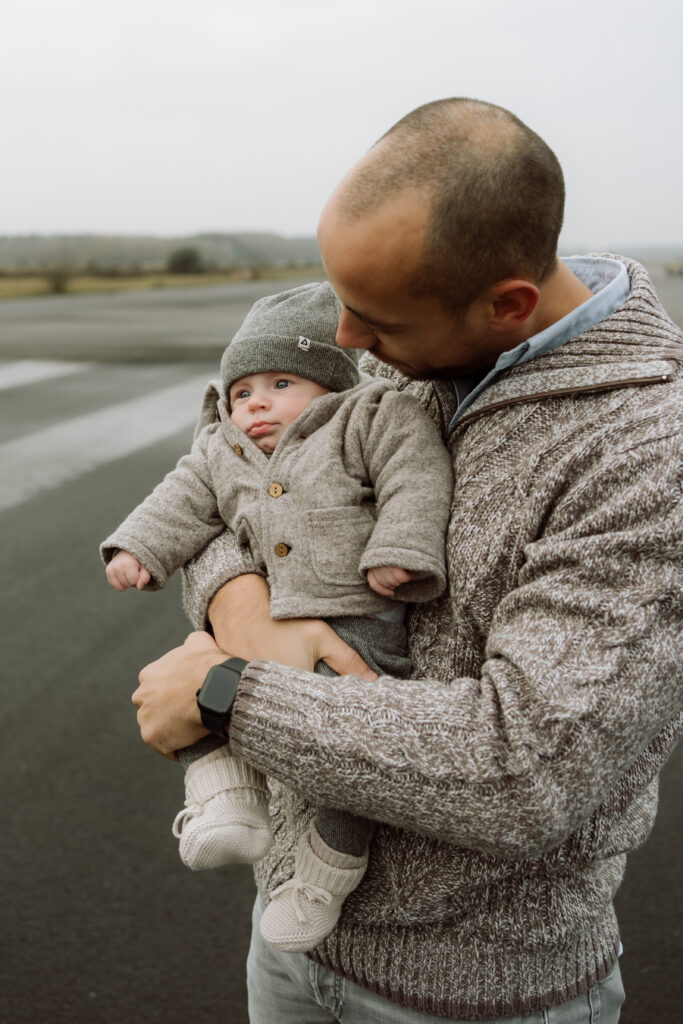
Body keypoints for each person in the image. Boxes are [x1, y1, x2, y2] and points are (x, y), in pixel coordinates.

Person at [131, 98, 683, 1022]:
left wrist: (229, 694)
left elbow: (525, 770)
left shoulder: (648, 449)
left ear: (506, 305)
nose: (346, 341)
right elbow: (234, 472)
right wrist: (239, 604)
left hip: (477, 993)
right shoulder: (406, 348)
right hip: (290, 932)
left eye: (375, 319)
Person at [101, 281, 453, 953]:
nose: (255, 404)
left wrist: (399, 549)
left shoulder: (368, 417)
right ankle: (225, 798)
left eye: (280, 383)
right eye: (241, 392)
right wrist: (138, 547)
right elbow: (181, 498)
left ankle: (325, 874)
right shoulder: (222, 447)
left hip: (358, 623)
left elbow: (414, 478)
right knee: (189, 686)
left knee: (351, 763)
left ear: (330, 383)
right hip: (255, 620)